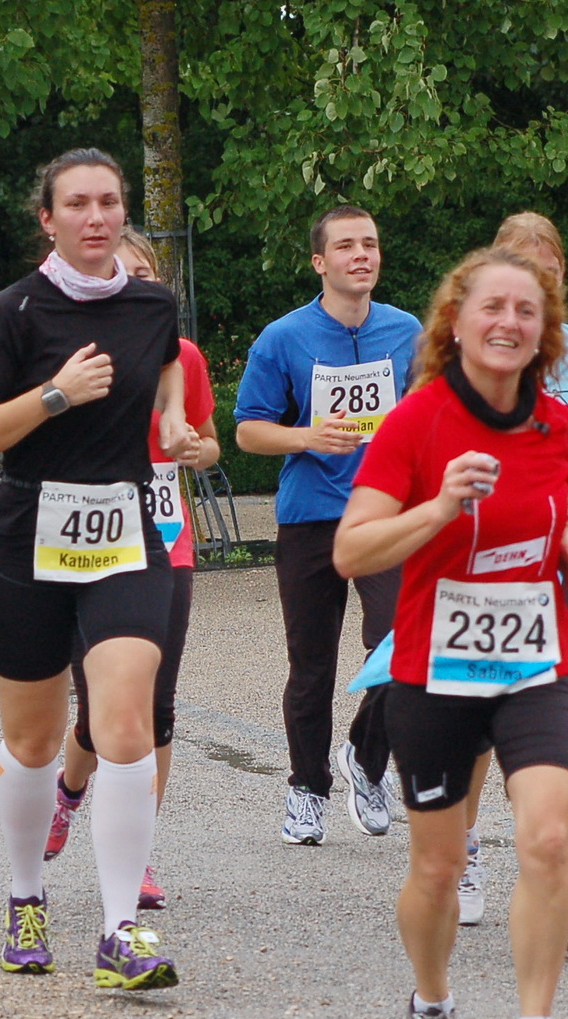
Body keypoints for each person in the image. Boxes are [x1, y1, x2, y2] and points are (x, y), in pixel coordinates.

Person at [334, 245, 568, 1019]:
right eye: (494, 307)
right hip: (434, 666)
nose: (509, 323)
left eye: (528, 310)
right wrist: (441, 505)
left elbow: (554, 507)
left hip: (535, 657)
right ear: (456, 320)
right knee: (439, 867)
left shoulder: (559, 425)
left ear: (545, 330)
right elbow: (352, 549)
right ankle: (433, 1005)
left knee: (549, 839)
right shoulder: (417, 423)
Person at [0, 148, 193, 992]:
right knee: (34, 740)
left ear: (125, 214)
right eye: (77, 204)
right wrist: (54, 395)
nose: (96, 217)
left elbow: (169, 397)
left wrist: (183, 431)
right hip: (24, 539)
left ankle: (122, 928)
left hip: (124, 535)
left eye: (109, 203)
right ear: (47, 219)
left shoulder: (156, 305)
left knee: (125, 719)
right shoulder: (14, 311)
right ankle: (26, 895)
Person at [452, 214, 568, 937]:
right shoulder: (463, 349)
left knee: (562, 718)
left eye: (551, 273)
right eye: (524, 275)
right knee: (477, 721)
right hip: (486, 551)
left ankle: (556, 876)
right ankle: (462, 851)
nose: (539, 288)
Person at [233, 204, 421, 845]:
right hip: (311, 519)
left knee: (401, 647)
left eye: (370, 244)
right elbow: (247, 430)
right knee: (310, 665)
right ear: (320, 262)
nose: (361, 255)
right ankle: (306, 789)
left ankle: (367, 762)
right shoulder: (283, 338)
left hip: (386, 516)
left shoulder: (406, 332)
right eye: (346, 246)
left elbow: (429, 414)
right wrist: (307, 436)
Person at [44, 227, 219, 911]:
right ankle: (69, 789)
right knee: (102, 706)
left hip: (165, 540)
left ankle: (138, 852)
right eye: (126, 273)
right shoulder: (74, 354)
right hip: (87, 542)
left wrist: (191, 448)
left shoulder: (185, 356)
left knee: (157, 706)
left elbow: (206, 445)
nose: (139, 285)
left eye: (148, 275)